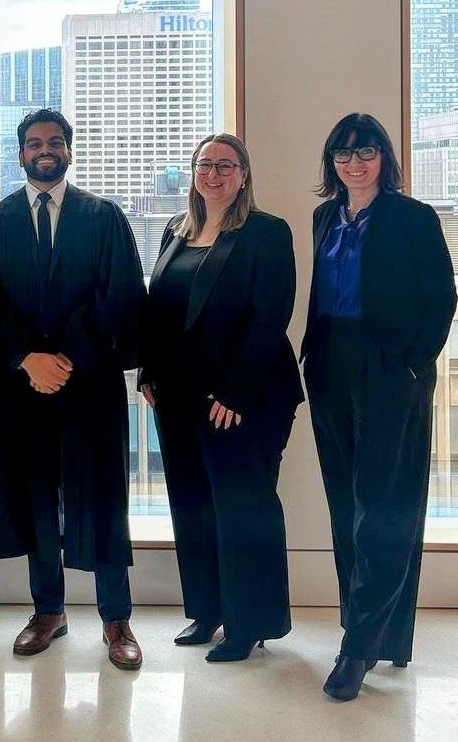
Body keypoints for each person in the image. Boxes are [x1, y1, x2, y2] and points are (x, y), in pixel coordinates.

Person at [0, 108, 147, 669]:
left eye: (53, 142)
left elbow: (118, 295)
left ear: (69, 151)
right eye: (32, 143)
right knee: (36, 495)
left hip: (88, 383)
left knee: (99, 496)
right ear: (20, 153)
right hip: (24, 385)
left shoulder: (104, 217)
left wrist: (67, 357)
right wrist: (28, 357)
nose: (43, 150)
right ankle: (48, 609)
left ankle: (116, 617)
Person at [302, 113, 456, 701]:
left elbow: (441, 296)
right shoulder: (324, 216)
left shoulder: (413, 218)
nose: (353, 163)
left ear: (384, 159)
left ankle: (360, 646)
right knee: (347, 503)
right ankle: (369, 629)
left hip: (391, 369)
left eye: (365, 152)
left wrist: (414, 364)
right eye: (342, 154)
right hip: (332, 365)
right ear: (331, 163)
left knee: (386, 504)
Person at [139, 133, 303, 663]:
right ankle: (207, 611)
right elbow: (160, 311)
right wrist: (149, 369)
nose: (213, 174)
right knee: (192, 506)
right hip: (179, 396)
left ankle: (248, 622)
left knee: (241, 508)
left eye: (225, 165)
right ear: (192, 173)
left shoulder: (265, 232)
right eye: (204, 164)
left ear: (244, 174)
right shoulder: (176, 230)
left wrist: (236, 390)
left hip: (242, 397)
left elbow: (270, 315)